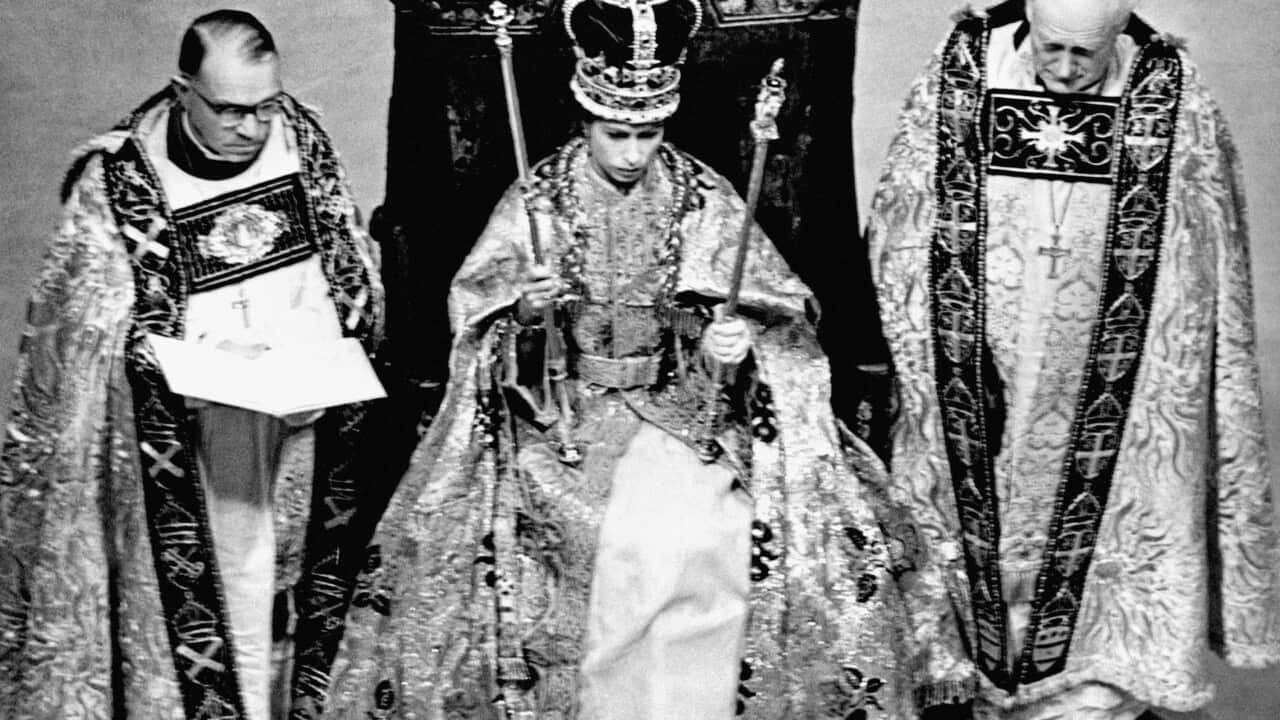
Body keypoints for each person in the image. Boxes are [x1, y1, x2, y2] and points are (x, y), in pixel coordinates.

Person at [321, 0, 972, 717]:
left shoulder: (700, 196)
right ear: (584, 120)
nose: (633, 153)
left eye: (648, 133)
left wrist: (735, 346)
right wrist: (530, 316)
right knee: (606, 536)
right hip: (560, 418)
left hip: (680, 408)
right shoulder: (541, 199)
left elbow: (772, 306)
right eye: (616, 134)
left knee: (708, 531)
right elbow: (480, 321)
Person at [867, 0, 1280, 718]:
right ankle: (970, 670)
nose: (1061, 71)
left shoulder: (1170, 93)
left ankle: (1095, 680)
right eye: (1049, 49)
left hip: (1112, 376)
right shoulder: (964, 71)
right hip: (981, 364)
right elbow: (902, 224)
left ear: (1120, 36)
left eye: (1082, 58)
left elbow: (1201, 257)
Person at [0, 10, 385, 720]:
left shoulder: (300, 139)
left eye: (265, 105)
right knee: (217, 617)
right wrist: (183, 358)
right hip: (183, 451)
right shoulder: (119, 181)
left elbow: (351, 264)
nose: (252, 127)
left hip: (298, 426)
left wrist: (314, 335)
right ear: (184, 92)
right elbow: (81, 333)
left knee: (286, 609)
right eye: (231, 110)